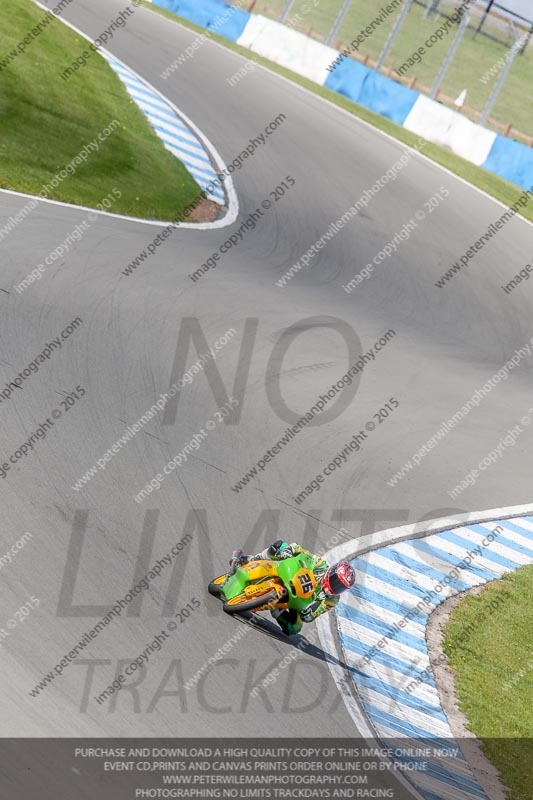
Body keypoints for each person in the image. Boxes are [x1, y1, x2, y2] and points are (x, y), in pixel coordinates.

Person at [229, 539, 355, 635]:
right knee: (279, 546)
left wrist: (308, 614)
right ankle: (253, 559)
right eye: (336, 580)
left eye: (341, 587)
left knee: (294, 628)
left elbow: (314, 614)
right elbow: (302, 552)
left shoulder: (332, 600)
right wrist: (290, 550)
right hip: (290, 576)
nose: (336, 586)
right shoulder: (320, 565)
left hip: (297, 601)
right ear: (332, 571)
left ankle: (277, 609)